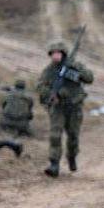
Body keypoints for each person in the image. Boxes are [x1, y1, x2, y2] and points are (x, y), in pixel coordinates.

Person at [36, 40, 94, 177]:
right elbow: (40, 86)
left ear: (63, 54)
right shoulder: (49, 70)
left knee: (73, 136)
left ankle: (72, 157)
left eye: (58, 53)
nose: (55, 56)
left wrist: (76, 69)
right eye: (53, 54)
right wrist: (51, 94)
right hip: (58, 107)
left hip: (74, 106)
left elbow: (90, 78)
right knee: (55, 135)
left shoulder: (75, 66)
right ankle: (54, 164)